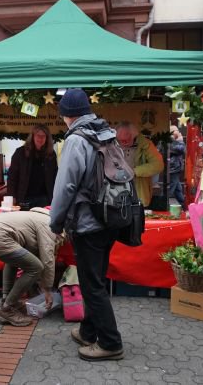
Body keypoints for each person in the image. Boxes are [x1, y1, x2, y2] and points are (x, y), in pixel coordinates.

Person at [50, 88, 124, 362]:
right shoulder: (105, 133)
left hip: (88, 222)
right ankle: (88, 331)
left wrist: (56, 221)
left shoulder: (77, 140)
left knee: (92, 285)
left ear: (68, 115)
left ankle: (110, 342)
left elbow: (66, 184)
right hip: (110, 217)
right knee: (97, 279)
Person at [0, 207, 64, 327]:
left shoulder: (36, 216)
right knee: (36, 267)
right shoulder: (50, 225)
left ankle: (7, 301)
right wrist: (47, 289)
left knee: (14, 260)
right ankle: (7, 309)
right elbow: (47, 259)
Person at [7, 124, 58, 209]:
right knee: (24, 221)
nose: (40, 138)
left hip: (44, 198)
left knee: (43, 221)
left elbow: (55, 177)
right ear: (33, 137)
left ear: (47, 138)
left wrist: (56, 197)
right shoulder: (20, 153)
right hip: (24, 197)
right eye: (38, 135)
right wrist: (12, 196)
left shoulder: (51, 155)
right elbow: (12, 177)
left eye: (43, 136)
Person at [115, 121, 164, 207]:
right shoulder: (112, 144)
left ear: (134, 136)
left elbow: (158, 165)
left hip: (139, 194)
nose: (123, 143)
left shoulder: (146, 144)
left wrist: (134, 171)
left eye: (126, 140)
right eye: (120, 140)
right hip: (116, 194)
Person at [168, 125, 186, 209]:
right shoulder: (171, 141)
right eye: (177, 130)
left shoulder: (174, 140)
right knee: (171, 188)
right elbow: (181, 149)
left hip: (175, 168)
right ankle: (164, 205)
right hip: (173, 168)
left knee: (177, 189)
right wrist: (180, 140)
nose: (179, 132)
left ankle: (183, 205)